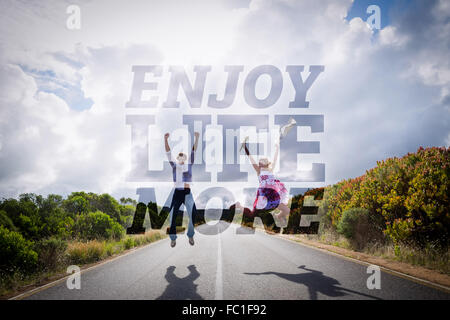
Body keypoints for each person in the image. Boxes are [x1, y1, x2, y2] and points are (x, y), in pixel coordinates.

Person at [241, 138, 290, 226]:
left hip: (273, 195)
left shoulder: (271, 170)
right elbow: (251, 158)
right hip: (264, 196)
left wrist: (277, 147)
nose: (260, 163)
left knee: (287, 211)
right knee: (255, 213)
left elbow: (275, 158)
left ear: (266, 163)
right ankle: (243, 213)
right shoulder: (258, 171)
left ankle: (278, 216)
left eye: (262, 161)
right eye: (259, 162)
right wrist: (245, 147)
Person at [164, 131, 200, 247]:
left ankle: (190, 235)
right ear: (177, 159)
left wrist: (197, 138)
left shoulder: (189, 164)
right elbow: (168, 153)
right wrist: (165, 140)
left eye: (183, 156)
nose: (181, 157)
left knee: (193, 213)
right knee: (173, 217)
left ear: (186, 158)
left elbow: (194, 151)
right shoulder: (174, 165)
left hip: (187, 193)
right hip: (177, 193)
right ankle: (173, 238)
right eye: (179, 156)